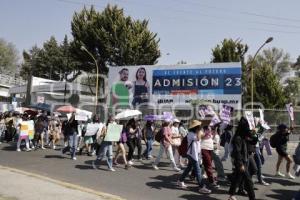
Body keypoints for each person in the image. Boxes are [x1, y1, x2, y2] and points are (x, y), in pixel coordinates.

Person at [177, 120, 211, 194]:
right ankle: (201, 187)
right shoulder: (191, 134)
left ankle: (180, 180)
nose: (200, 128)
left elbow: (202, 137)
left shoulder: (195, 133)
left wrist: (208, 132)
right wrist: (200, 131)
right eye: (198, 127)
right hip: (192, 155)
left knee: (188, 168)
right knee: (198, 171)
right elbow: (198, 138)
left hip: (194, 154)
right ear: (196, 127)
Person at [228, 117, 255, 200]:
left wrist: (255, 133)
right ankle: (252, 198)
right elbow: (237, 152)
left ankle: (231, 195)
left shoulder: (244, 136)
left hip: (245, 160)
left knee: (237, 178)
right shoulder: (238, 138)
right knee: (248, 180)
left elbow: (253, 141)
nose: (248, 130)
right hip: (240, 162)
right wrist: (240, 164)